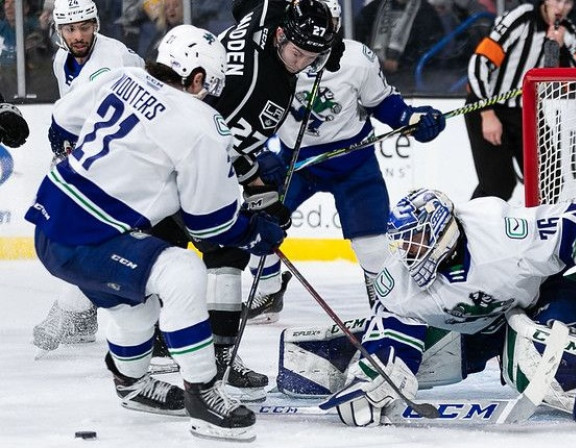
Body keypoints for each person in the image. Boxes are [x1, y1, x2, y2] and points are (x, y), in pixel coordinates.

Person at [24, 24, 286, 441]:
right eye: (210, 88)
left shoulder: (121, 75)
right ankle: (202, 393)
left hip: (53, 220)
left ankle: (131, 385)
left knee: (136, 308)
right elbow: (210, 225)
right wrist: (253, 232)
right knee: (182, 271)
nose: (210, 97)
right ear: (197, 78)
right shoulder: (201, 122)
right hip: (90, 236)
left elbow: (63, 118)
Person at [277, 188, 576, 427]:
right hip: (478, 325)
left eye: (416, 242)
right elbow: (395, 329)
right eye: (404, 243)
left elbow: (573, 223)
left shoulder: (498, 233)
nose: (408, 253)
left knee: (529, 362)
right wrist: (375, 374)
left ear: (440, 232)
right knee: (421, 364)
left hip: (548, 296)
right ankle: (334, 364)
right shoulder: (399, 278)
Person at [142, 0, 344, 402]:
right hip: (181, 163)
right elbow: (218, 147)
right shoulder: (256, 86)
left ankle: (157, 339)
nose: (304, 63)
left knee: (165, 247)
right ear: (281, 36)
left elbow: (245, 5)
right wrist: (255, 187)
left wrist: (328, 40)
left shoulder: (271, 14)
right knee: (226, 250)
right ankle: (217, 357)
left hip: (164, 150)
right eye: (298, 53)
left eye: (313, 57)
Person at [245, 0, 447, 324]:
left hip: (353, 163)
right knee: (261, 223)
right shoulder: (269, 54)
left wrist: (412, 119)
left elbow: (383, 103)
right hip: (294, 162)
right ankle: (268, 290)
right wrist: (257, 152)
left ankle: (388, 312)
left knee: (372, 246)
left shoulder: (356, 60)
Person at [32, 0, 145, 354]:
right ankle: (81, 313)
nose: (79, 36)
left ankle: (75, 309)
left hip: (133, 153)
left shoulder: (112, 61)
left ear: (96, 24)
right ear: (59, 30)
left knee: (94, 232)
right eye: (70, 29)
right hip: (99, 156)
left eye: (85, 27)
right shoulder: (60, 60)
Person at [465, 0, 576, 201]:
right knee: (497, 186)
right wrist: (486, 113)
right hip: (486, 105)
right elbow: (480, 62)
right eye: (557, 0)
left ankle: (539, 230)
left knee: (549, 181)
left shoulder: (568, 32)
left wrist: (560, 49)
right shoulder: (522, 18)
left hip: (526, 112)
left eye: (567, 2)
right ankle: (466, 230)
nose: (561, 8)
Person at [354, 0, 445, 91]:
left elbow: (431, 50)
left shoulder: (426, 12)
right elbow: (356, 36)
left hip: (409, 79)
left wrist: (402, 64)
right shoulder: (374, 8)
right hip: (373, 74)